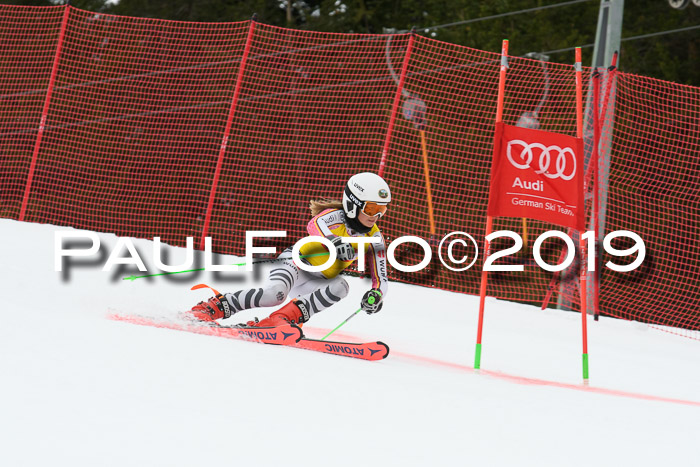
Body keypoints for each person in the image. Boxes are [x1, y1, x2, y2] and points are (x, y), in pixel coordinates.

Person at [188, 172, 391, 327]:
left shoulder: (374, 237)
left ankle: (279, 320)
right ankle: (212, 307)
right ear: (353, 204)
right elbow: (314, 224)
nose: (376, 216)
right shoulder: (335, 217)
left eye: (382, 210)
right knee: (273, 296)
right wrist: (334, 241)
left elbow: (381, 278)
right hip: (296, 264)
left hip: (318, 281)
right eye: (371, 208)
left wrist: (376, 295)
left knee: (342, 287)